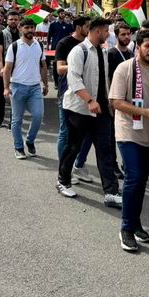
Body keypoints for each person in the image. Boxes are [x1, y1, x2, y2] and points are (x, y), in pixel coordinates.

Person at [109, 28, 149, 252]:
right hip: (129, 130)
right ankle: (126, 228)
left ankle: (136, 224)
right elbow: (116, 102)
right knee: (134, 177)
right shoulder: (124, 69)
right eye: (147, 46)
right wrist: (145, 112)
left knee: (142, 180)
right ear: (138, 47)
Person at [57, 18, 123, 209]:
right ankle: (63, 181)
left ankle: (110, 192)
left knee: (105, 150)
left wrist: (108, 101)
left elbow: (104, 80)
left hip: (100, 110)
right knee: (73, 147)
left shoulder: (102, 51)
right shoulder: (79, 51)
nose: (108, 34)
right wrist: (90, 100)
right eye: (105, 31)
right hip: (79, 108)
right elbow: (74, 80)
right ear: (95, 31)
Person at [3, 19, 49, 159]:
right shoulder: (14, 46)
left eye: (32, 27)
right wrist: (6, 87)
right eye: (27, 27)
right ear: (20, 28)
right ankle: (18, 147)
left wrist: (46, 84)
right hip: (17, 86)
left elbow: (43, 66)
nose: (30, 30)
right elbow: (7, 69)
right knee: (17, 120)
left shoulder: (39, 45)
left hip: (35, 87)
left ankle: (29, 140)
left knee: (38, 115)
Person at [54, 16, 89, 162]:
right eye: (88, 26)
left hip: (86, 94)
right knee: (66, 132)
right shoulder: (64, 43)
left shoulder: (90, 44)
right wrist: (77, 64)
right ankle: (64, 168)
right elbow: (60, 69)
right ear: (79, 28)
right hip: (67, 93)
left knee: (84, 133)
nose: (90, 30)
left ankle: (78, 165)